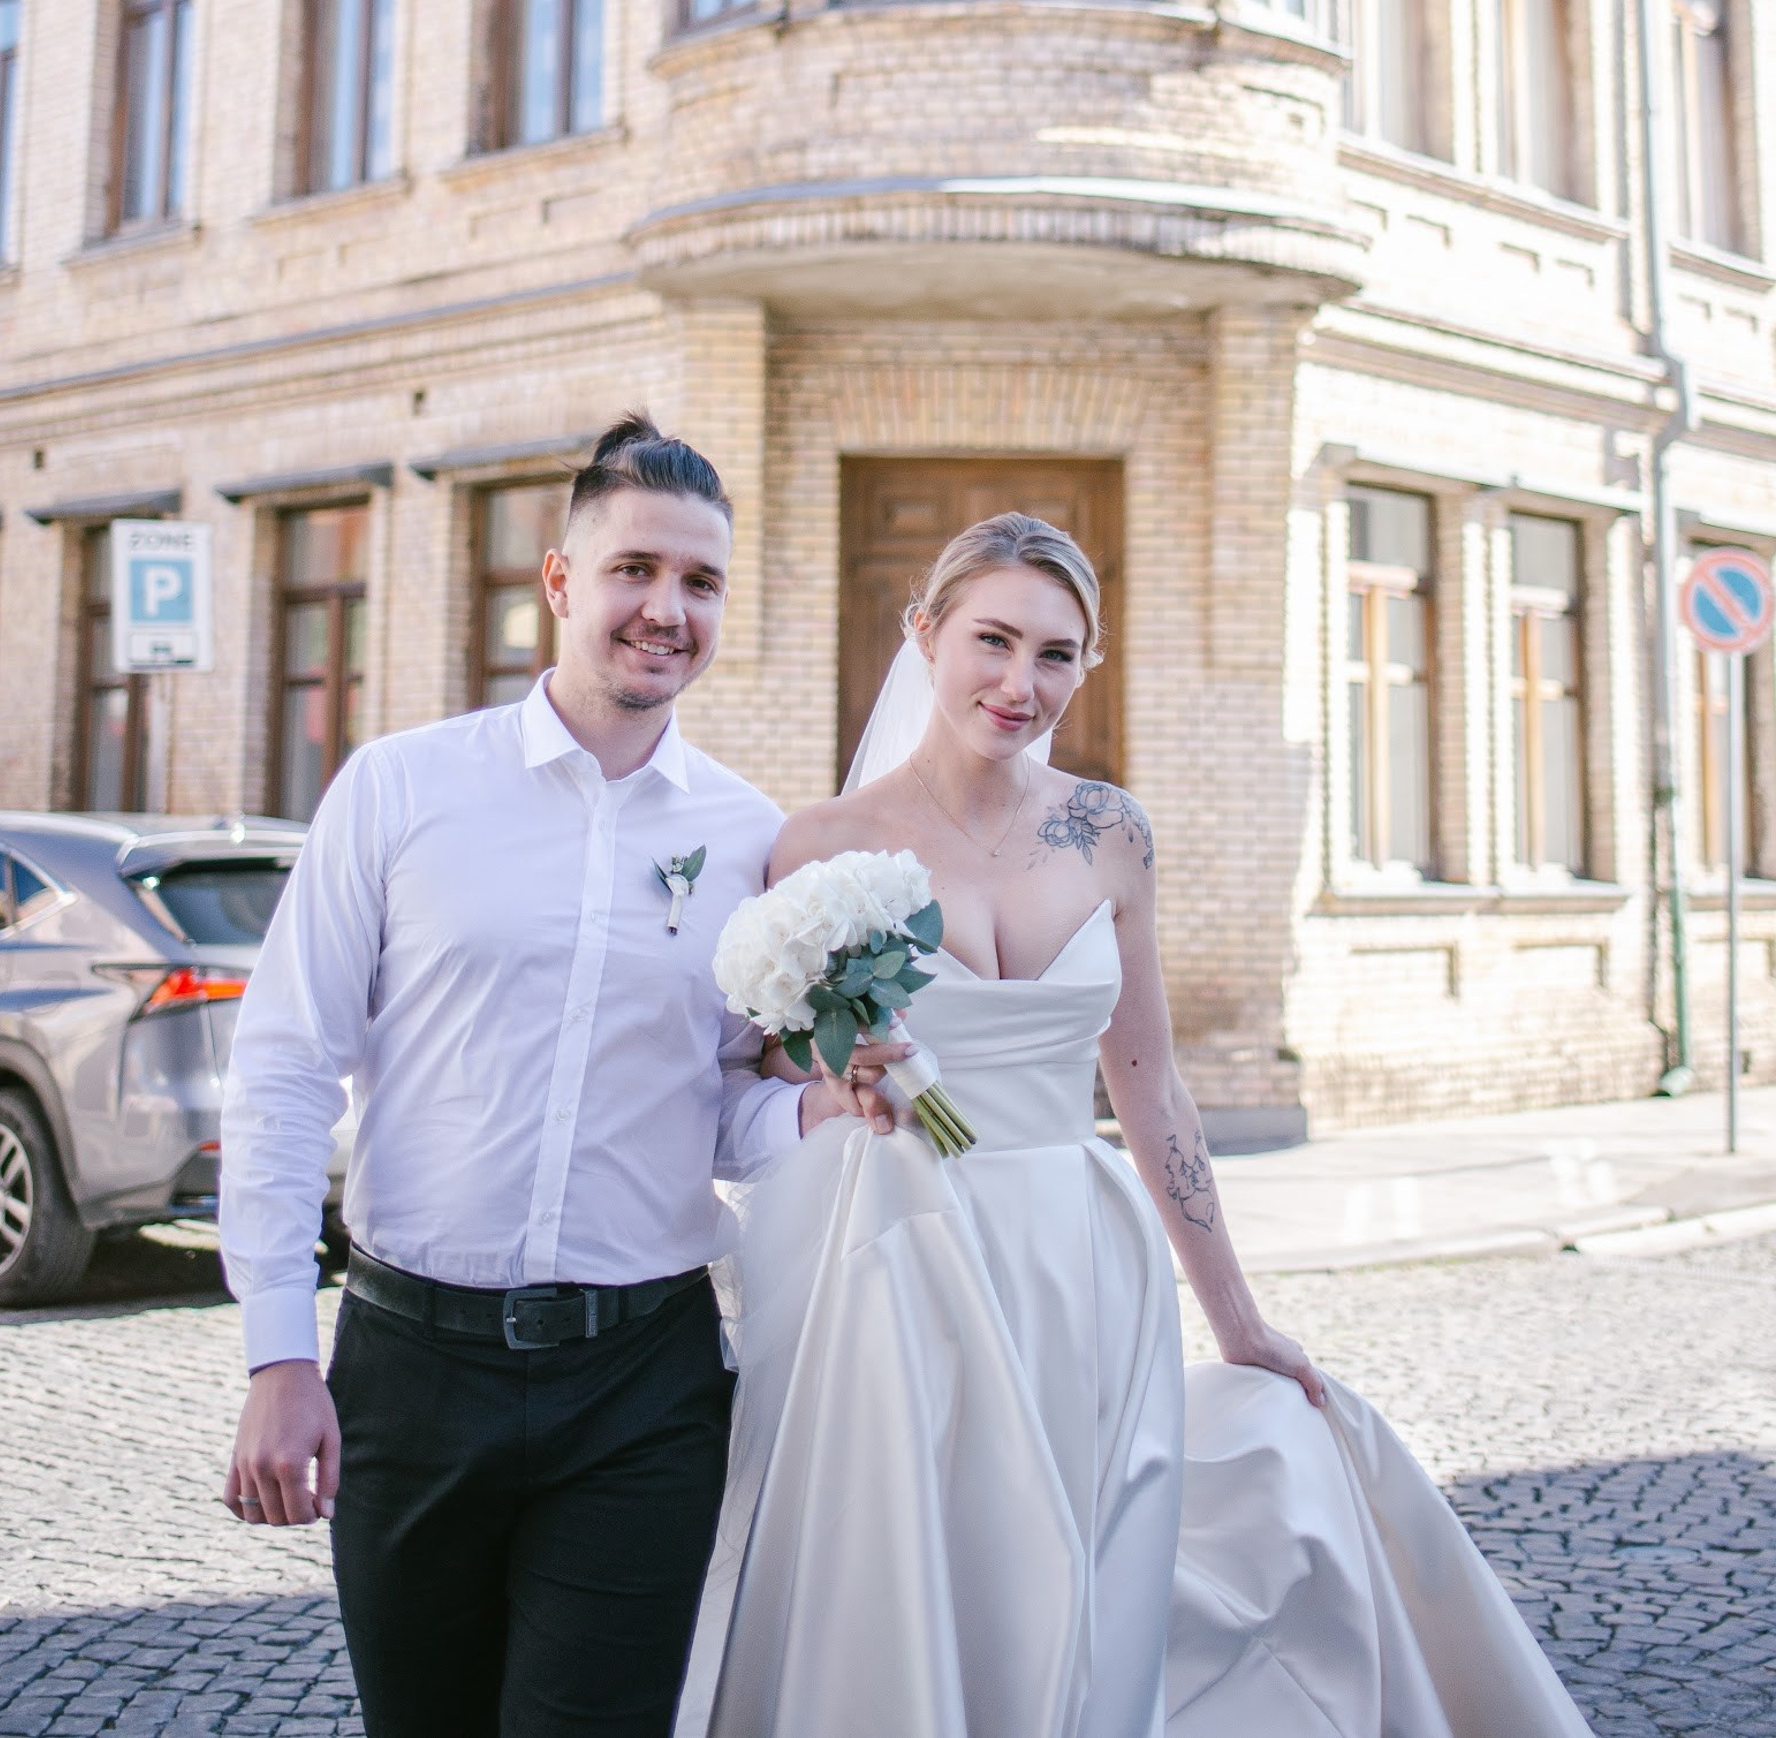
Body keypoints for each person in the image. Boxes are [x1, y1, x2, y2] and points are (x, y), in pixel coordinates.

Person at [676, 512, 1593, 1738]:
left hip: (1077, 1257)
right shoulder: (821, 847)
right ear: (925, 634)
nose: (1020, 682)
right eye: (992, 640)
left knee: (1087, 1566)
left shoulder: (1111, 833)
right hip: (898, 1255)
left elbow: (1151, 1087)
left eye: (1056, 654)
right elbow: (783, 1079)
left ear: (1088, 664)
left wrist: (1240, 1320)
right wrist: (845, 1070)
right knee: (924, 1565)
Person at [219, 415, 876, 1738]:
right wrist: (278, 1353)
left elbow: (718, 1108)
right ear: (561, 581)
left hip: (644, 1386)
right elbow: (285, 1067)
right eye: (636, 568)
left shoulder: (749, 840)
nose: (668, 609)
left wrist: (818, 1109)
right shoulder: (400, 790)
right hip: (412, 1368)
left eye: (701, 581)